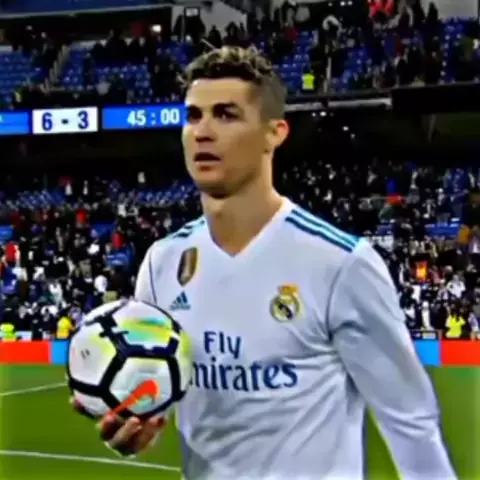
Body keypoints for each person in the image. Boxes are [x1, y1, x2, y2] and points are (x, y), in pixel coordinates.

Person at [73, 46, 456, 479]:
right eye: (193, 116)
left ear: (275, 133)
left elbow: (411, 422)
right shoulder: (163, 263)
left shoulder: (339, 264)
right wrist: (137, 421)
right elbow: (161, 391)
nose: (203, 131)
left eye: (226, 115)